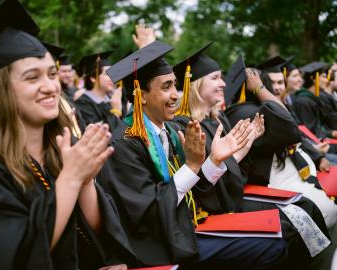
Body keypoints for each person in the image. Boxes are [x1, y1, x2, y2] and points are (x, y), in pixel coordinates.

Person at [98, 40, 288, 269]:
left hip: (183, 227)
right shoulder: (124, 144)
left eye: (175, 85)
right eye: (166, 87)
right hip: (159, 243)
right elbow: (149, 211)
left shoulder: (167, 131)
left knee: (279, 235)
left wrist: (215, 160)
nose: (176, 95)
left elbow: (194, 191)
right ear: (142, 95)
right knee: (271, 246)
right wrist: (191, 167)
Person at [0, 1, 129, 269]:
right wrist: (71, 177)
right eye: (32, 77)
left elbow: (98, 235)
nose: (50, 87)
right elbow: (12, 255)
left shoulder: (60, 146)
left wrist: (84, 180)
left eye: (51, 74)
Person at [171, 46, 331, 269]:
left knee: (306, 207)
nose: (223, 83)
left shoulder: (218, 120)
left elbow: (230, 165)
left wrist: (243, 146)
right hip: (214, 205)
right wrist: (224, 157)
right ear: (196, 85)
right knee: (291, 225)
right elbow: (203, 183)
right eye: (215, 78)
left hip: (231, 194)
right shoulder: (185, 126)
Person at [74, 52, 127, 139]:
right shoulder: (82, 104)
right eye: (107, 74)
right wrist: (116, 112)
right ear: (93, 78)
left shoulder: (112, 100)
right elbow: (97, 137)